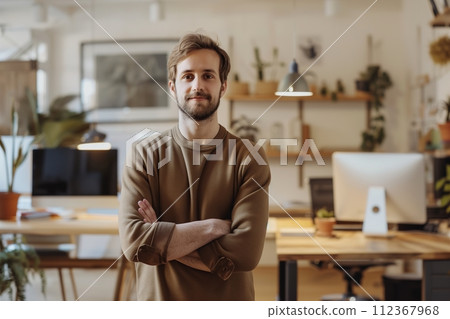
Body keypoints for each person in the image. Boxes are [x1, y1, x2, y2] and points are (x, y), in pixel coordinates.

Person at [118, 33, 271, 301]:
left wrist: (161, 241)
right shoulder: (143, 154)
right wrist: (213, 228)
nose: (197, 85)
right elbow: (135, 244)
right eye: (188, 76)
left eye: (208, 75)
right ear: (173, 87)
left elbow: (246, 253)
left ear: (223, 86)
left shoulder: (250, 158)